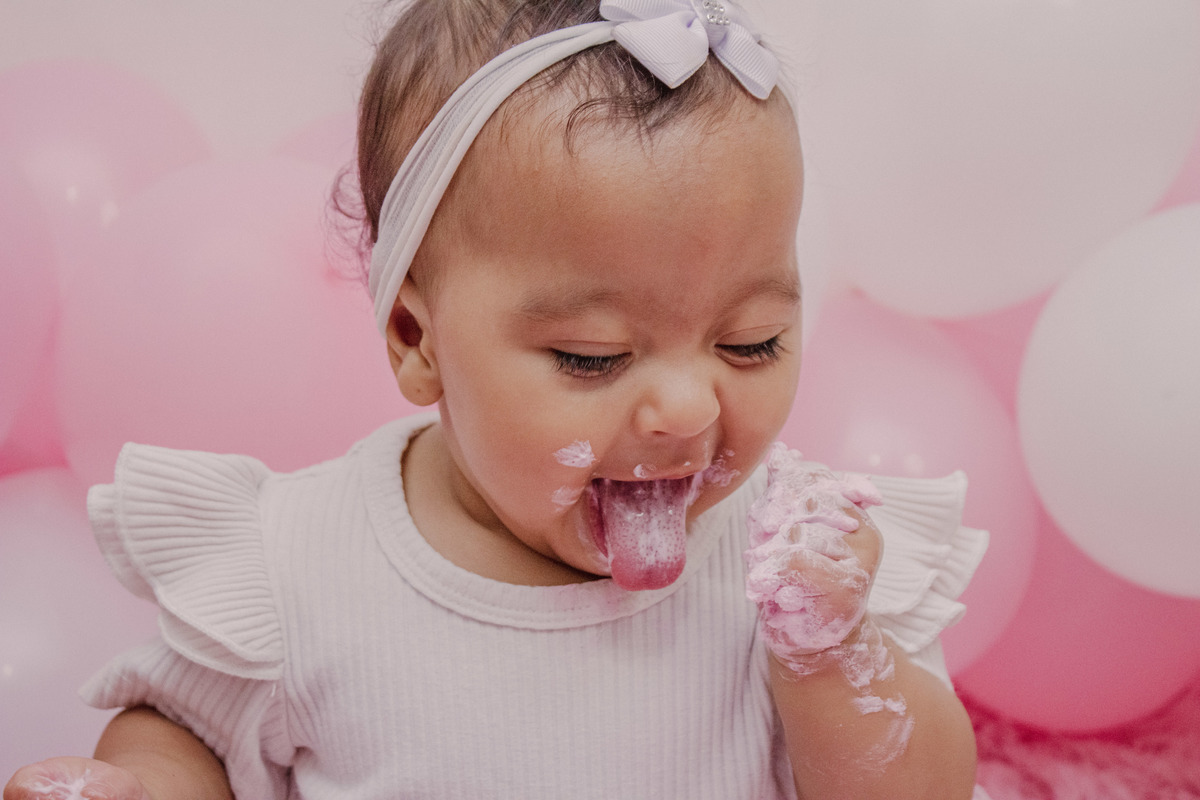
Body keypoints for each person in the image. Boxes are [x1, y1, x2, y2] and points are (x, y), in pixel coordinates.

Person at [5, 0, 990, 797]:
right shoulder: (302, 563)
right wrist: (144, 783)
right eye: (594, 357)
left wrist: (832, 659)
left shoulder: (798, 566)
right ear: (417, 339)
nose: (689, 408)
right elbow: (185, 732)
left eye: (751, 341)